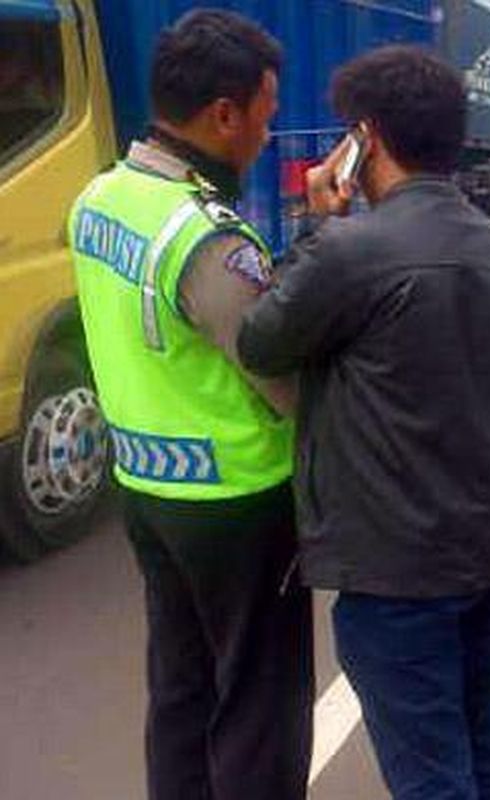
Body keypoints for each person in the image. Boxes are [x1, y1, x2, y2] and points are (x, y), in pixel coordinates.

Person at [238, 45, 490, 800]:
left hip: (400, 571)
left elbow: (260, 342)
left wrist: (318, 224)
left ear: (365, 140)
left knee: (430, 777)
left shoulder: (350, 252)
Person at [68, 11, 312, 800]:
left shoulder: (98, 198)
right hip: (236, 504)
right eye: (266, 118)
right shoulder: (205, 237)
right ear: (224, 115)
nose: (267, 138)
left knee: (181, 690)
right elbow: (280, 372)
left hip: (144, 488)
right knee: (258, 705)